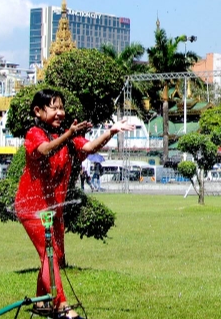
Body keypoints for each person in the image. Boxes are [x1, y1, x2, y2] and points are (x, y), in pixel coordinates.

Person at [14, 88, 133, 319]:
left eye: (61, 107)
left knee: (54, 256)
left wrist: (110, 132)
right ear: (38, 111)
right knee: (48, 253)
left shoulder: (67, 137)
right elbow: (45, 150)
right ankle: (61, 306)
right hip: (32, 208)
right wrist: (68, 135)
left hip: (53, 210)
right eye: (54, 107)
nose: (60, 112)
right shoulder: (35, 133)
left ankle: (42, 304)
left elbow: (88, 147)